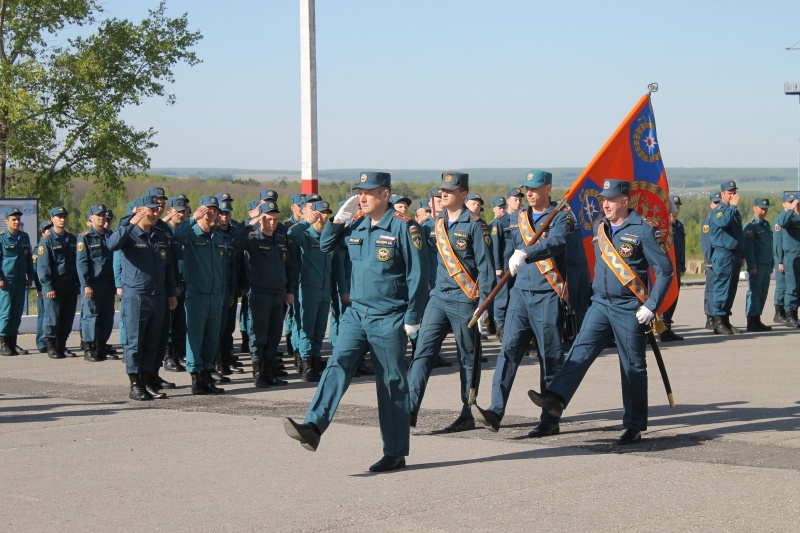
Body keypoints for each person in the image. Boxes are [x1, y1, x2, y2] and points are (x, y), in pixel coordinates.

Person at [283, 171, 427, 473]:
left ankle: (395, 451)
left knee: (391, 384)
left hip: (389, 316)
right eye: (360, 191)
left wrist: (413, 317)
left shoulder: (404, 228)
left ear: (385, 195)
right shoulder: (358, 224)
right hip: (357, 314)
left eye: (369, 192)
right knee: (337, 364)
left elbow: (417, 275)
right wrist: (338, 220)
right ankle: (314, 426)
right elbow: (325, 246)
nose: (362, 197)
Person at [528, 179, 674, 445]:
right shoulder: (600, 227)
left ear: (624, 201)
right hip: (600, 303)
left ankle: (634, 425)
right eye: (602, 199)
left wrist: (652, 306)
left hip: (630, 306)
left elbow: (665, 271)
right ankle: (555, 400)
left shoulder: (643, 230)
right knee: (579, 351)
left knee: (632, 366)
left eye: (610, 199)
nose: (604, 204)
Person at [472, 170, 573, 437]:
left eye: (535, 188)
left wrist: (528, 252)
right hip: (520, 293)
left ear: (548, 188)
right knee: (508, 352)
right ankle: (495, 410)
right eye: (527, 188)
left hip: (547, 293)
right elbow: (508, 254)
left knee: (549, 356)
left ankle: (550, 418)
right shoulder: (518, 218)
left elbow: (557, 243)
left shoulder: (561, 215)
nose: (529, 193)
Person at [407, 172, 494, 432]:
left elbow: (486, 268)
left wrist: (484, 306)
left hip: (465, 299)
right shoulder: (438, 222)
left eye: (449, 191)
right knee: (422, 352)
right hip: (439, 298)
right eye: (441, 190)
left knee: (468, 358)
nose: (443, 194)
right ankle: (408, 411)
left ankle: (468, 411)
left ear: (463, 194)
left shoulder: (476, 225)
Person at [107, 195, 178, 400]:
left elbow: (169, 267)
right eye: (151, 210)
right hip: (136, 296)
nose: (155, 213)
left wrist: (171, 293)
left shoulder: (160, 236)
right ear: (140, 210)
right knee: (134, 342)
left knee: (153, 342)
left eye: (157, 210)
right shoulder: (129, 234)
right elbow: (112, 244)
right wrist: (131, 223)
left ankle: (148, 380)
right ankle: (135, 384)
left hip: (158, 295)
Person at [233, 200, 296, 388]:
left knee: (274, 335)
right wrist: (250, 222)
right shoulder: (253, 239)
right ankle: (259, 373)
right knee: (258, 335)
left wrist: (289, 290)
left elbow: (290, 268)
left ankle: (270, 373)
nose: (272, 223)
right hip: (259, 294)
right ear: (261, 219)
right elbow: (236, 242)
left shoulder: (280, 240)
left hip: (278, 294)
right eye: (268, 219)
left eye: (275, 219)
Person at [287, 200, 335, 382]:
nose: (324, 216)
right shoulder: (306, 236)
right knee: (306, 328)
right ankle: (306, 364)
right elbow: (291, 234)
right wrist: (307, 221)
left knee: (319, 329)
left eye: (326, 213)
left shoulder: (327, 236)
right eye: (321, 212)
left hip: (324, 289)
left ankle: (315, 361)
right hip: (307, 288)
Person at [37, 206, 79, 359]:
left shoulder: (72, 239)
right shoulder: (46, 241)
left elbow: (77, 264)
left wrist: (78, 284)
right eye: (59, 216)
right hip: (55, 285)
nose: (62, 219)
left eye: (64, 216)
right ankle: (51, 346)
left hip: (70, 285)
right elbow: (43, 266)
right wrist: (48, 286)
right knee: (52, 318)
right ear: (52, 219)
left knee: (67, 318)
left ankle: (62, 345)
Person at [76, 204, 115, 362]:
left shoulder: (110, 235)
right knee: (90, 316)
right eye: (98, 215)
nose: (101, 217)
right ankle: (89, 348)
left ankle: (101, 345)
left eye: (103, 215)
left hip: (108, 283)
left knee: (107, 316)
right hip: (93, 283)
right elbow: (82, 263)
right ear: (90, 218)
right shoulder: (85, 237)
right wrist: (86, 284)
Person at [709, 181, 745, 335]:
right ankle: (718, 322)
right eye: (729, 193)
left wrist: (742, 254)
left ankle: (726, 321)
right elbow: (723, 222)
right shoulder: (720, 210)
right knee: (722, 288)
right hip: (723, 254)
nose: (733, 195)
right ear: (722, 194)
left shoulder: (732, 211)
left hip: (734, 254)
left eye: (734, 192)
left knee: (730, 290)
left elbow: (738, 235)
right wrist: (733, 207)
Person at [0, 208, 35, 356]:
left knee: (16, 313)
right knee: (6, 313)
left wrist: (30, 277)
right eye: (13, 219)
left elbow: (28, 259)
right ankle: (3, 343)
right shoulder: (2, 238)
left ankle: (13, 343)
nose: (16, 222)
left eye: (18, 219)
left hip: (21, 281)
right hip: (7, 281)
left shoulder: (24, 237)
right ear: (6, 221)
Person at [492, 187, 525, 342]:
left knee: (516, 297)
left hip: (519, 265)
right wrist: (497, 266)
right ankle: (501, 327)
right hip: (505, 266)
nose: (518, 202)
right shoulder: (500, 221)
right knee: (502, 298)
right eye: (515, 199)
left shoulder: (521, 218)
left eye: (520, 199)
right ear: (508, 201)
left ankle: (513, 326)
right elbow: (496, 246)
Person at [161, 196, 188, 372]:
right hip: (170, 283)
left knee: (180, 323)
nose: (181, 214)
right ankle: (168, 357)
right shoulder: (164, 231)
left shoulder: (186, 231)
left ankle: (178, 355)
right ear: (169, 212)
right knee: (169, 324)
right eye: (177, 211)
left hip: (185, 282)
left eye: (183, 211)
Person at [742, 198, 774, 331]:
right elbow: (748, 248)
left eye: (766, 208)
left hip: (766, 264)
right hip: (757, 265)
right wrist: (751, 266)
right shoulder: (750, 226)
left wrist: (771, 263)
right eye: (761, 207)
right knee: (754, 293)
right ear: (754, 208)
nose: (763, 210)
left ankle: (757, 318)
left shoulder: (766, 225)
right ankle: (751, 320)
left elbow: (769, 246)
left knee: (762, 293)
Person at [659, 196, 686, 341]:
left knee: (674, 298)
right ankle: (662, 330)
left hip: (677, 268)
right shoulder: (664, 227)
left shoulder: (679, 226)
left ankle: (667, 328)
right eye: (673, 205)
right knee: (665, 298)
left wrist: (682, 265)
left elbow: (681, 248)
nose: (676, 208)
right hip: (667, 269)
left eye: (678, 206)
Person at [775, 192, 800, 328]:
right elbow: (781, 222)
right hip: (791, 256)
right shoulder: (789, 218)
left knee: (799, 287)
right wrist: (792, 209)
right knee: (792, 287)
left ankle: (795, 315)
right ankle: (790, 315)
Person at [701, 193, 721, 329]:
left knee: (720, 289)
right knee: (711, 289)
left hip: (721, 260)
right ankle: (710, 317)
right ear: (711, 204)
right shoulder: (709, 221)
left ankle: (719, 316)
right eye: (715, 203)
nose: (717, 205)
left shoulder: (721, 219)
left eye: (719, 202)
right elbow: (706, 242)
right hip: (713, 260)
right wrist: (709, 259)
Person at [34, 220, 53, 353]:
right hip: (42, 288)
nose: (50, 231)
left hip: (53, 287)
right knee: (43, 316)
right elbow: (36, 271)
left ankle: (51, 341)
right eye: (47, 229)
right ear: (42, 232)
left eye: (51, 228)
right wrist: (39, 288)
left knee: (52, 315)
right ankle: (41, 342)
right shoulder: (38, 249)